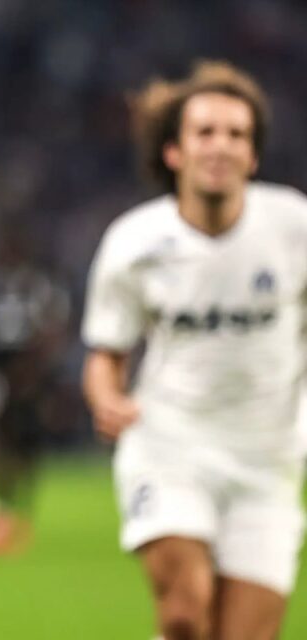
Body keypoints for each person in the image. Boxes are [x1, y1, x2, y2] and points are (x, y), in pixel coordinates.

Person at [82, 60, 307, 640]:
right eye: (205, 131)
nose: (221, 145)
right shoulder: (135, 242)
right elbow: (107, 351)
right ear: (174, 151)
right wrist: (107, 400)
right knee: (185, 613)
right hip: (169, 443)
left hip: (269, 460)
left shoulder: (293, 227)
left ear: (253, 156)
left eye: (237, 134)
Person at [0, 229, 69, 556]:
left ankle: (17, 511)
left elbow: (49, 332)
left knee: (24, 444)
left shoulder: (37, 287)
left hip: (26, 376)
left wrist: (32, 376)